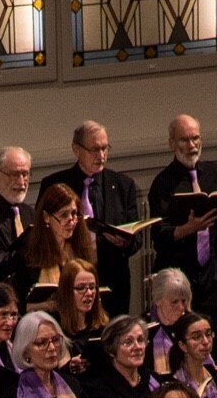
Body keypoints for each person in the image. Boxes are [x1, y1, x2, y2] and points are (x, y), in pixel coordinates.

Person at [46, 119, 146, 315]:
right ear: (76, 149)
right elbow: (45, 236)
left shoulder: (123, 185)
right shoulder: (55, 185)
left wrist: (124, 242)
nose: (101, 156)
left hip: (112, 283)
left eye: (105, 148)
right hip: (70, 284)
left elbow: (137, 240)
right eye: (94, 150)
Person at [146, 114, 217, 314]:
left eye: (196, 138)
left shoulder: (212, 174)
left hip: (209, 275)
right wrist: (188, 229)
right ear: (172, 143)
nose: (192, 145)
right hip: (179, 273)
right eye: (185, 140)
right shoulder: (162, 183)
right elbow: (159, 236)